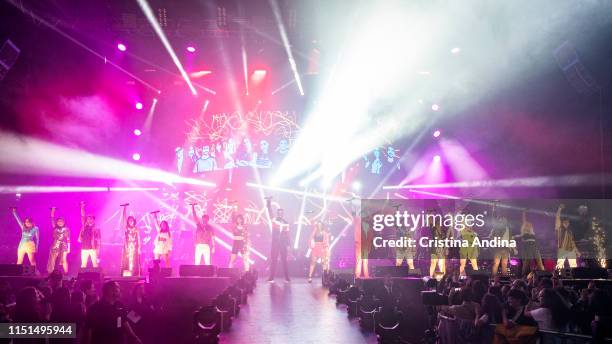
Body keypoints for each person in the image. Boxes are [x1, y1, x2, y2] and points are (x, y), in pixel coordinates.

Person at [266, 198, 290, 283]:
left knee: (284, 261)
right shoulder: (275, 220)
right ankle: (271, 278)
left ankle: (287, 278)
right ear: (278, 213)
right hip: (275, 244)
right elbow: (270, 214)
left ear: (283, 214)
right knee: (273, 260)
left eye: (281, 213)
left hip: (283, 244)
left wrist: (289, 245)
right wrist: (268, 204)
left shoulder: (286, 223)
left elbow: (288, 235)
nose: (280, 214)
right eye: (279, 213)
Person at [514, 210, 544, 276]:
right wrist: (524, 213)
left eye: (529, 226)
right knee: (527, 263)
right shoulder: (523, 233)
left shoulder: (532, 233)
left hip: (535, 247)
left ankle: (543, 275)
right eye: (527, 225)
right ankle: (523, 276)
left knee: (539, 262)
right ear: (524, 227)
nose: (529, 226)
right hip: (528, 247)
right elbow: (524, 221)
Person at [489, 204, 511, 277]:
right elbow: (494, 217)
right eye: (502, 220)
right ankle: (493, 278)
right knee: (496, 263)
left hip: (506, 248)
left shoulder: (508, 229)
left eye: (504, 220)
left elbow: (510, 238)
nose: (503, 220)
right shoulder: (497, 227)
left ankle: (504, 279)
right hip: (498, 248)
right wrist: (494, 208)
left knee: (504, 264)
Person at [48, 207, 70, 274]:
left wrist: (69, 248)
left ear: (64, 222)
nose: (60, 222)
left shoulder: (66, 229)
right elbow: (52, 219)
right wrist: (52, 211)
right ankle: (50, 273)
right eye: (58, 221)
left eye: (61, 221)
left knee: (63, 260)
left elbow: (68, 239)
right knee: (52, 259)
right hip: (55, 245)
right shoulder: (55, 228)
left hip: (63, 246)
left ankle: (66, 273)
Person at [120, 204, 141, 277]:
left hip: (134, 247)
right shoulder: (126, 228)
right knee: (127, 260)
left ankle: (134, 273)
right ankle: (127, 272)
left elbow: (138, 238)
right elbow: (124, 218)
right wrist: (124, 209)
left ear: (134, 221)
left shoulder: (136, 229)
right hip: (127, 246)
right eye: (129, 220)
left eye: (132, 220)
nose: (130, 221)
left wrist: (139, 248)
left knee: (134, 260)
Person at [556, 204, 578, 269]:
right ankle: (558, 277)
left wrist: (577, 251)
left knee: (574, 266)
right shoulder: (560, 228)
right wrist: (559, 209)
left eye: (567, 222)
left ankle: (574, 277)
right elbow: (557, 217)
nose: (566, 223)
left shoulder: (570, 231)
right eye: (565, 222)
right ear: (562, 223)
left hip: (571, 250)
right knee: (560, 265)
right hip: (562, 249)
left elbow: (573, 242)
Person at [78, 202, 100, 269]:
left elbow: (99, 240)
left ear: (93, 220)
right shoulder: (84, 227)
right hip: (84, 248)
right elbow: (83, 216)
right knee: (83, 265)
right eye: (88, 219)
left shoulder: (96, 228)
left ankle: (96, 278)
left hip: (93, 248)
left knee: (95, 264)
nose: (89, 220)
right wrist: (82, 207)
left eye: (91, 219)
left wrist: (98, 250)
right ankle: (82, 278)